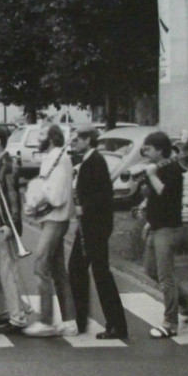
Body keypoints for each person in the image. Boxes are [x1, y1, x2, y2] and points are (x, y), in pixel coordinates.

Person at [68, 124, 128, 339]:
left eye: (77, 139)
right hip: (89, 226)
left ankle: (116, 325)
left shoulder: (95, 161)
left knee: (100, 274)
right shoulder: (88, 161)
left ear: (88, 140)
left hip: (95, 227)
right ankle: (81, 319)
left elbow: (103, 196)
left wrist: (83, 207)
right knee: (78, 269)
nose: (74, 142)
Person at [140, 131, 188, 338]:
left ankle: (170, 323)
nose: (145, 152)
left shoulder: (173, 170)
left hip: (168, 230)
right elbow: (155, 199)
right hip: (156, 227)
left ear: (160, 150)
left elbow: (165, 195)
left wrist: (152, 176)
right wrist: (148, 220)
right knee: (151, 270)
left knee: (166, 277)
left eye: (149, 148)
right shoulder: (158, 168)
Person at [23, 124, 78, 337]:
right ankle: (70, 321)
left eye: (42, 135)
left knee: (40, 265)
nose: (38, 139)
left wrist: (34, 202)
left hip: (55, 219)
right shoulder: (55, 158)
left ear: (52, 138)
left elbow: (56, 195)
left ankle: (46, 321)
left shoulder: (57, 159)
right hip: (54, 218)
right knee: (57, 270)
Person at [0, 127, 34, 333]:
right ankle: (2, 309)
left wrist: (10, 225)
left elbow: (12, 197)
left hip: (3, 226)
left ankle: (17, 317)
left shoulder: (7, 164)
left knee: (7, 272)